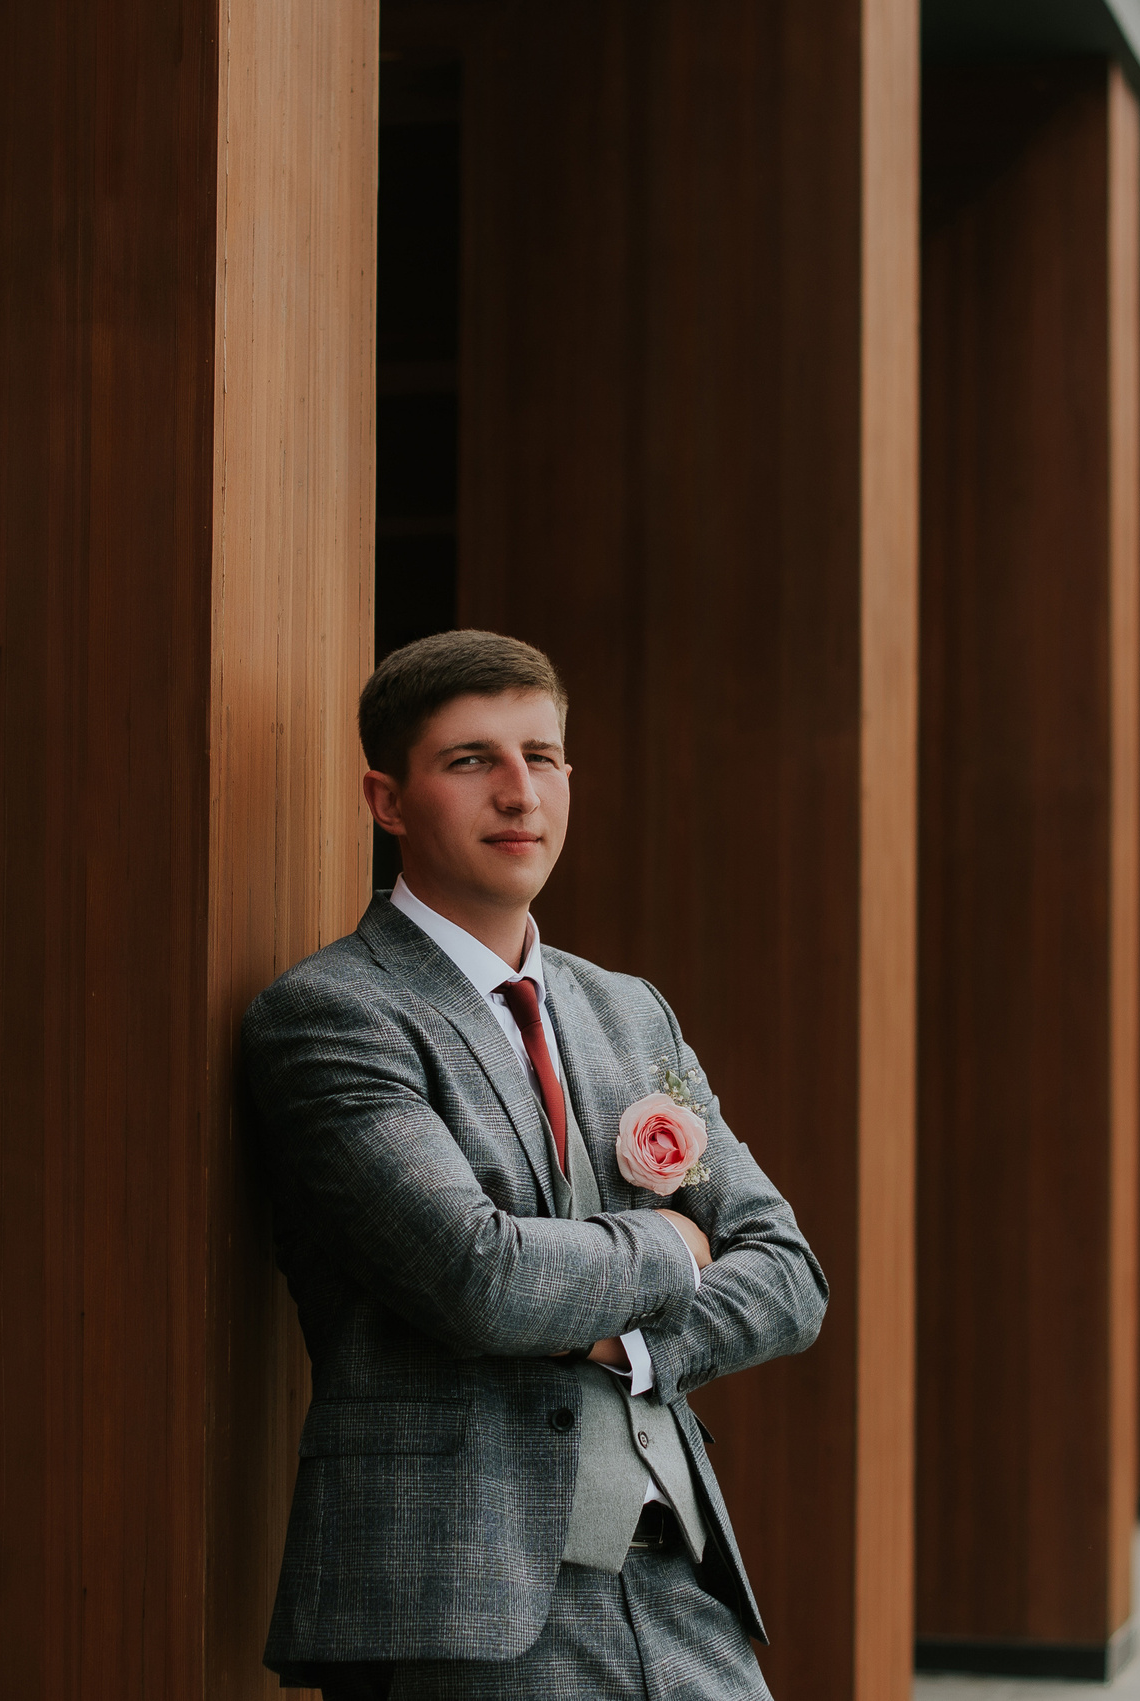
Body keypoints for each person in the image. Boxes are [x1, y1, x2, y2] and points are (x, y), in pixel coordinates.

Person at [241, 629, 828, 1701]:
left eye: (542, 757)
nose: (520, 793)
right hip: (458, 1601)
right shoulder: (333, 1015)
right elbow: (482, 1278)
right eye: (471, 761)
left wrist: (627, 1345)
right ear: (387, 800)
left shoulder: (626, 1008)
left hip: (679, 1581)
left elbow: (790, 1275)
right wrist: (673, 1241)